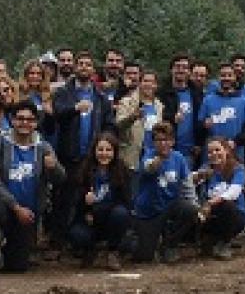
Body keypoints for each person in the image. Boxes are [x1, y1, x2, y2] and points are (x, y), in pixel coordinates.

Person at [0, 100, 66, 273]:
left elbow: (61, 178)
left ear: (35, 122)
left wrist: (53, 167)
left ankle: (5, 250)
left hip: (29, 213)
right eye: (20, 118)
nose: (24, 123)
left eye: (29, 119)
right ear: (12, 120)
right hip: (5, 205)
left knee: (17, 268)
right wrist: (16, 207)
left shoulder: (43, 147)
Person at [52, 51, 115, 247]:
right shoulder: (64, 92)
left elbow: (109, 124)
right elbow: (58, 114)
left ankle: (85, 243)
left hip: (92, 158)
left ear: (93, 70)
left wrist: (105, 145)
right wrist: (75, 109)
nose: (84, 67)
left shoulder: (100, 97)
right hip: (69, 156)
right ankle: (58, 241)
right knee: (63, 200)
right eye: (81, 64)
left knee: (88, 200)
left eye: (88, 64)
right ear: (75, 67)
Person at [132, 122, 199, 263]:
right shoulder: (148, 156)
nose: (163, 143)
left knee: (190, 210)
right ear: (153, 142)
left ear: (172, 141)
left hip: (170, 206)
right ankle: (150, 240)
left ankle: (170, 245)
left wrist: (196, 207)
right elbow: (148, 168)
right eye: (159, 140)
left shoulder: (178, 158)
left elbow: (187, 184)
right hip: (149, 211)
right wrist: (157, 162)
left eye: (166, 140)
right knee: (144, 256)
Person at [68, 132, 133, 270]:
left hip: (111, 219)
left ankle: (113, 252)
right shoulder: (84, 170)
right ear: (94, 151)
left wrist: (97, 210)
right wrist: (84, 201)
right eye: (100, 149)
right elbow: (74, 203)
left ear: (114, 152)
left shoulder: (122, 170)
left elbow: (126, 202)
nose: (104, 154)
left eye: (108, 150)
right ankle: (90, 251)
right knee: (77, 235)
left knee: (120, 213)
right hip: (88, 221)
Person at [195, 138, 245, 260]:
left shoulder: (238, 169)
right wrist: (197, 176)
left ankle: (224, 243)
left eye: (217, 150)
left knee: (227, 206)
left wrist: (209, 203)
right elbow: (189, 182)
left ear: (227, 150)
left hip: (234, 214)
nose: (214, 154)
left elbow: (233, 193)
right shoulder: (206, 169)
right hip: (210, 215)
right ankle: (210, 239)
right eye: (210, 152)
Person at [197, 62, 245, 163]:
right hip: (212, 152)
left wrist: (236, 142)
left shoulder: (243, 101)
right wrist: (204, 125)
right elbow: (199, 126)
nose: (226, 78)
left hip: (235, 151)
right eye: (223, 75)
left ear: (235, 77)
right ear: (218, 78)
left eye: (229, 75)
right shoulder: (208, 100)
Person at [157, 53, 205, 167]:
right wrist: (172, 118)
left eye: (184, 67)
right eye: (177, 66)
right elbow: (156, 116)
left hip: (191, 151)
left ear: (189, 72)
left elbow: (201, 119)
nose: (181, 70)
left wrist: (199, 143)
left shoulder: (197, 93)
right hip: (168, 148)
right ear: (171, 70)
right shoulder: (161, 93)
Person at [115, 68, 164, 173]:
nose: (148, 84)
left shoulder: (159, 105)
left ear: (156, 86)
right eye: (145, 81)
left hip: (152, 155)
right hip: (131, 155)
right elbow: (118, 125)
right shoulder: (126, 102)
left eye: (152, 82)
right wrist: (132, 117)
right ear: (140, 83)